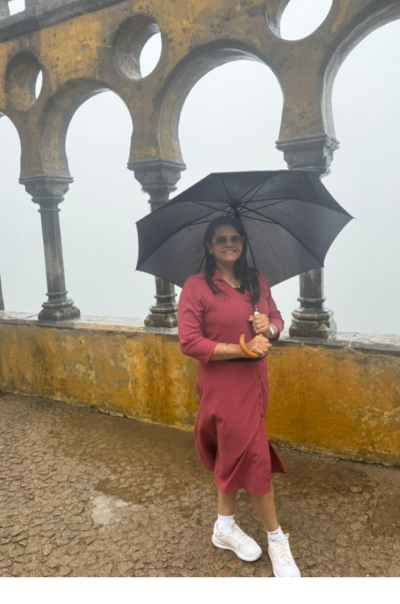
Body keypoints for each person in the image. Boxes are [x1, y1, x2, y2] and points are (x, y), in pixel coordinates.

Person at [177, 216, 300, 578]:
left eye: (234, 238)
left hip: (257, 383)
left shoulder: (255, 280)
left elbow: (277, 317)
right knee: (255, 455)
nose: (228, 243)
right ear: (209, 246)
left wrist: (271, 328)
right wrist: (239, 348)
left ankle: (224, 526)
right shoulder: (196, 287)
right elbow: (188, 341)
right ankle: (276, 537)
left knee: (234, 455)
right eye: (220, 239)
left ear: (242, 242)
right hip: (222, 386)